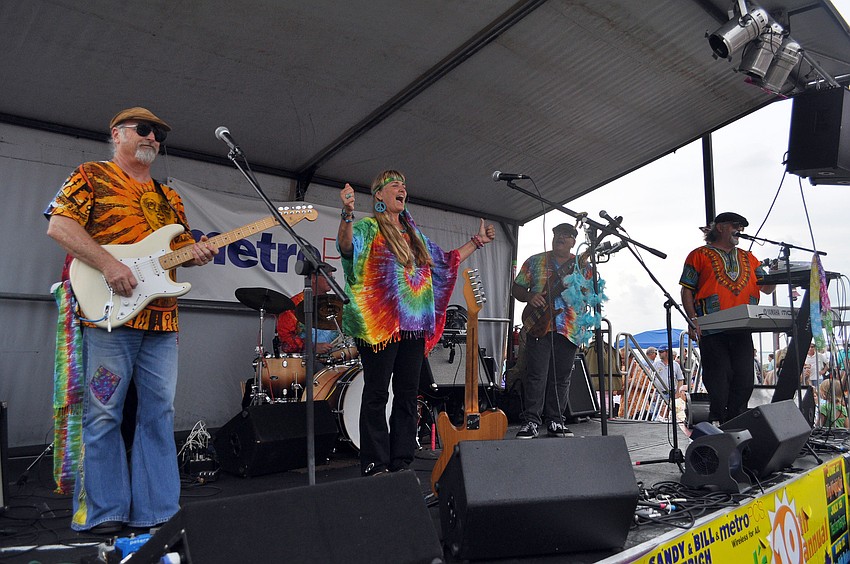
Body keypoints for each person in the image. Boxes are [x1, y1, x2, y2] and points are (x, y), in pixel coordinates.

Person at [45, 107, 217, 533]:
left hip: (161, 324)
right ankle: (104, 513)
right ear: (117, 134)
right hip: (109, 320)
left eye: (159, 134)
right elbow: (60, 226)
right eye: (144, 130)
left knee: (159, 414)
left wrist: (197, 254)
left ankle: (158, 511)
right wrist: (108, 264)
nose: (153, 138)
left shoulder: (168, 196)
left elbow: (171, 260)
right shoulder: (91, 175)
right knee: (104, 412)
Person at [337, 170, 496, 476]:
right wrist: (346, 213)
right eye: (394, 184)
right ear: (380, 195)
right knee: (377, 394)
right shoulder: (369, 228)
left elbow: (446, 262)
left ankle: (401, 461)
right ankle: (375, 462)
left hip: (413, 326)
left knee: (408, 395)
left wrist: (477, 242)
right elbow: (346, 248)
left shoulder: (414, 235)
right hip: (380, 328)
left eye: (404, 185)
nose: (402, 189)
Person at [680, 212, 775, 425]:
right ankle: (717, 421)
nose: (739, 229)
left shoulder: (749, 258)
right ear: (720, 227)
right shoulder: (699, 255)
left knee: (744, 379)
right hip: (712, 327)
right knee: (719, 379)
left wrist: (776, 274)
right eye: (735, 225)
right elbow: (686, 290)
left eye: (741, 226)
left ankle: (736, 421)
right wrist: (693, 319)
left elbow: (767, 288)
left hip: (743, 327)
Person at [512, 222, 592, 439]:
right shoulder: (535, 261)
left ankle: (556, 421)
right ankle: (531, 422)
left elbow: (591, 294)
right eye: (558, 234)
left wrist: (581, 288)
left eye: (566, 235)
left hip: (569, 327)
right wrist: (530, 296)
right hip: (539, 325)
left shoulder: (582, 266)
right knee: (536, 375)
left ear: (574, 241)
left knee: (562, 377)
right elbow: (516, 288)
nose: (561, 238)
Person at [275, 271, 340, 359]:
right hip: (304, 361)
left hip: (334, 358)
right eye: (327, 277)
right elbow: (286, 339)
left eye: (333, 278)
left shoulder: (335, 304)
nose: (331, 281)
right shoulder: (294, 304)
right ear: (313, 278)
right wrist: (312, 347)